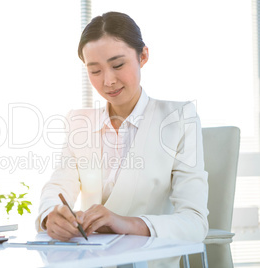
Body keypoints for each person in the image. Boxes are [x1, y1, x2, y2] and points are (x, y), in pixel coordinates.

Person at [36, 11, 209, 267]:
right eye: (94, 71)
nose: (108, 81)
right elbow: (58, 187)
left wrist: (126, 224)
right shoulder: (79, 122)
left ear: (143, 56)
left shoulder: (178, 119)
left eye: (118, 65)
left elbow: (195, 222)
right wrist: (51, 215)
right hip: (89, 261)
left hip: (147, 262)